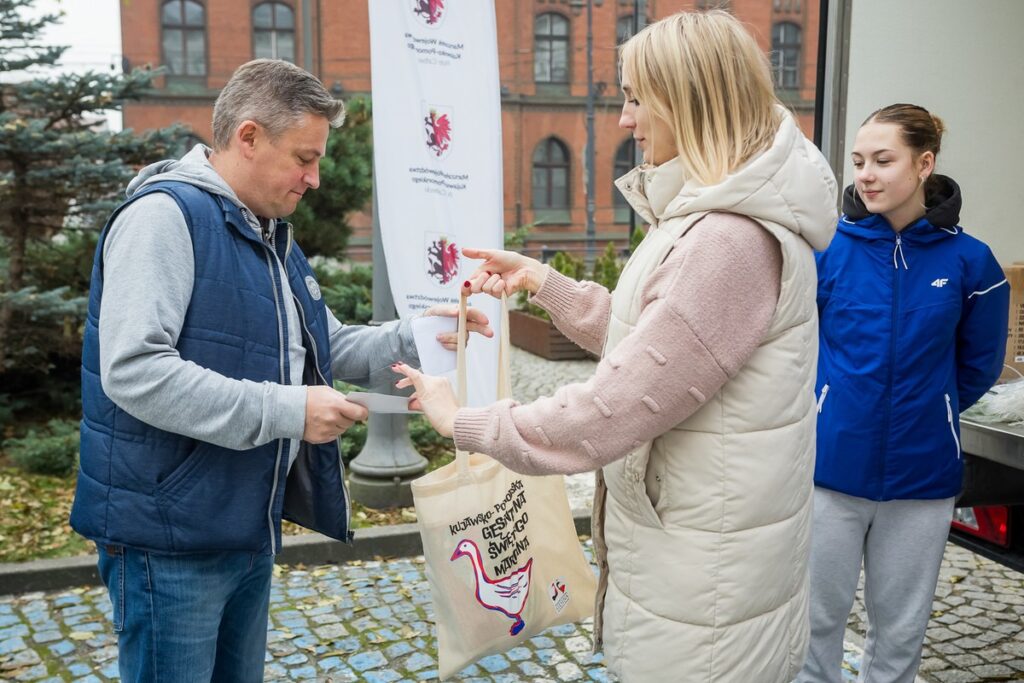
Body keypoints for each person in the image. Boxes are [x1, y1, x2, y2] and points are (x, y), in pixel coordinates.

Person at [393, 11, 839, 682]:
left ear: (688, 101)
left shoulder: (727, 238)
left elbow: (610, 410)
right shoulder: (718, 219)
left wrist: (462, 420)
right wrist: (543, 282)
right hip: (699, 571)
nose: (626, 119)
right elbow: (663, 347)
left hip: (705, 604)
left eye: (636, 97)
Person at [70, 59, 490, 682]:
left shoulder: (265, 232)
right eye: (304, 158)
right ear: (248, 136)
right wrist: (290, 410)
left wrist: (420, 336)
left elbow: (325, 345)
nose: (314, 179)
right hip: (170, 538)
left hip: (240, 522)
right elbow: (134, 371)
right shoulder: (162, 219)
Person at [796, 104, 1009, 683]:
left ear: (924, 164)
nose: (865, 175)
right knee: (814, 625)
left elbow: (978, 366)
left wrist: (932, 409)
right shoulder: (825, 251)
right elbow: (794, 351)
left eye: (882, 161)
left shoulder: (972, 262)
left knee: (900, 633)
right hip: (829, 470)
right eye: (858, 161)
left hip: (922, 478)